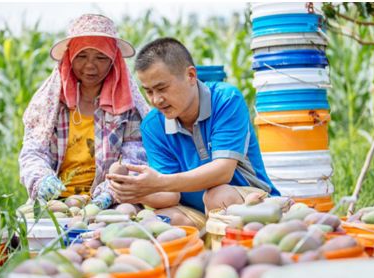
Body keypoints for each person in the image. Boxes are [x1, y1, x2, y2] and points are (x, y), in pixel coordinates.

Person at [107, 37, 280, 229]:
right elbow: (170, 195)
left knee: (218, 196)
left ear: (190, 75)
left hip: (247, 200)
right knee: (157, 221)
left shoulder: (226, 100)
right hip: (195, 211)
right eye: (148, 91)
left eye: (162, 88)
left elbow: (222, 172)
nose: (156, 100)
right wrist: (138, 191)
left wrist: (160, 182)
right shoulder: (153, 125)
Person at [19, 14, 178, 210]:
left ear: (113, 61)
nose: (90, 66)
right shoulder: (50, 106)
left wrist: (109, 193)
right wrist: (41, 179)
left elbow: (135, 159)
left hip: (111, 202)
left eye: (101, 57)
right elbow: (33, 152)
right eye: (82, 56)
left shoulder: (126, 108)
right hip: (54, 204)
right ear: (69, 59)